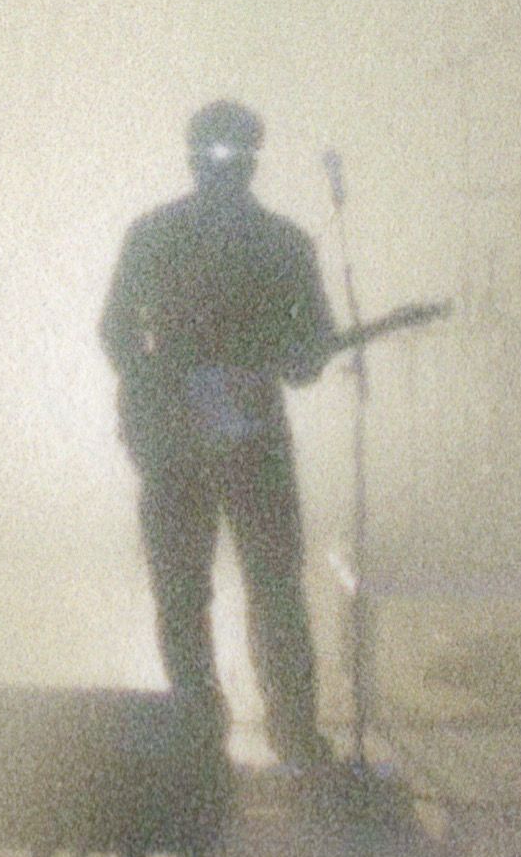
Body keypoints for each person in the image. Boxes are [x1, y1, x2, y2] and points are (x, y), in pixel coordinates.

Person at [101, 100, 344, 766]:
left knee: (271, 588)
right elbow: (116, 328)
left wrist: (295, 356)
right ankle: (199, 728)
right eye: (212, 155)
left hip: (250, 438)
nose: (223, 169)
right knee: (186, 589)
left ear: (253, 162)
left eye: (235, 156)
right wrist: (155, 389)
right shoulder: (156, 236)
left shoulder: (283, 245)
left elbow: (307, 354)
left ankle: (286, 730)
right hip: (180, 443)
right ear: (191, 158)